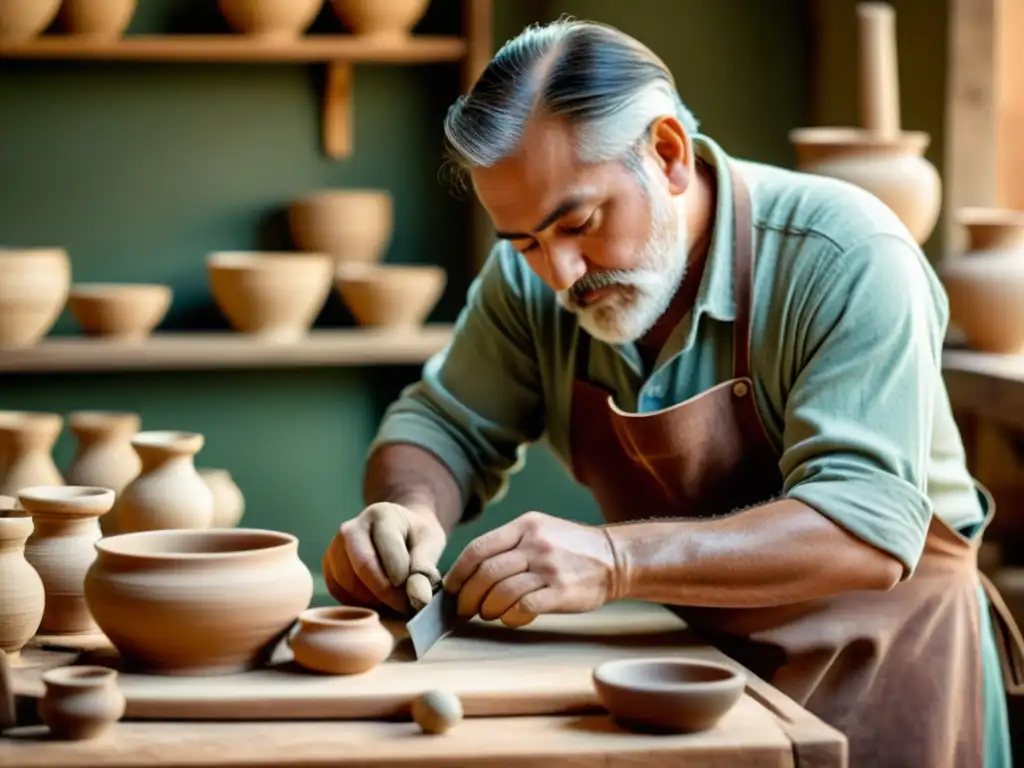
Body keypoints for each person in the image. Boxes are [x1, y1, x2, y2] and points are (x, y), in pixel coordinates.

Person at [322, 17, 1022, 767]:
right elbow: (440, 427)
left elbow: (865, 523)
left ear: (667, 154)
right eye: (522, 242)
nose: (559, 274)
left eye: (580, 222)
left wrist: (616, 560)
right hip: (688, 669)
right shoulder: (531, 284)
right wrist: (409, 508)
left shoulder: (848, 254)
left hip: (885, 667)